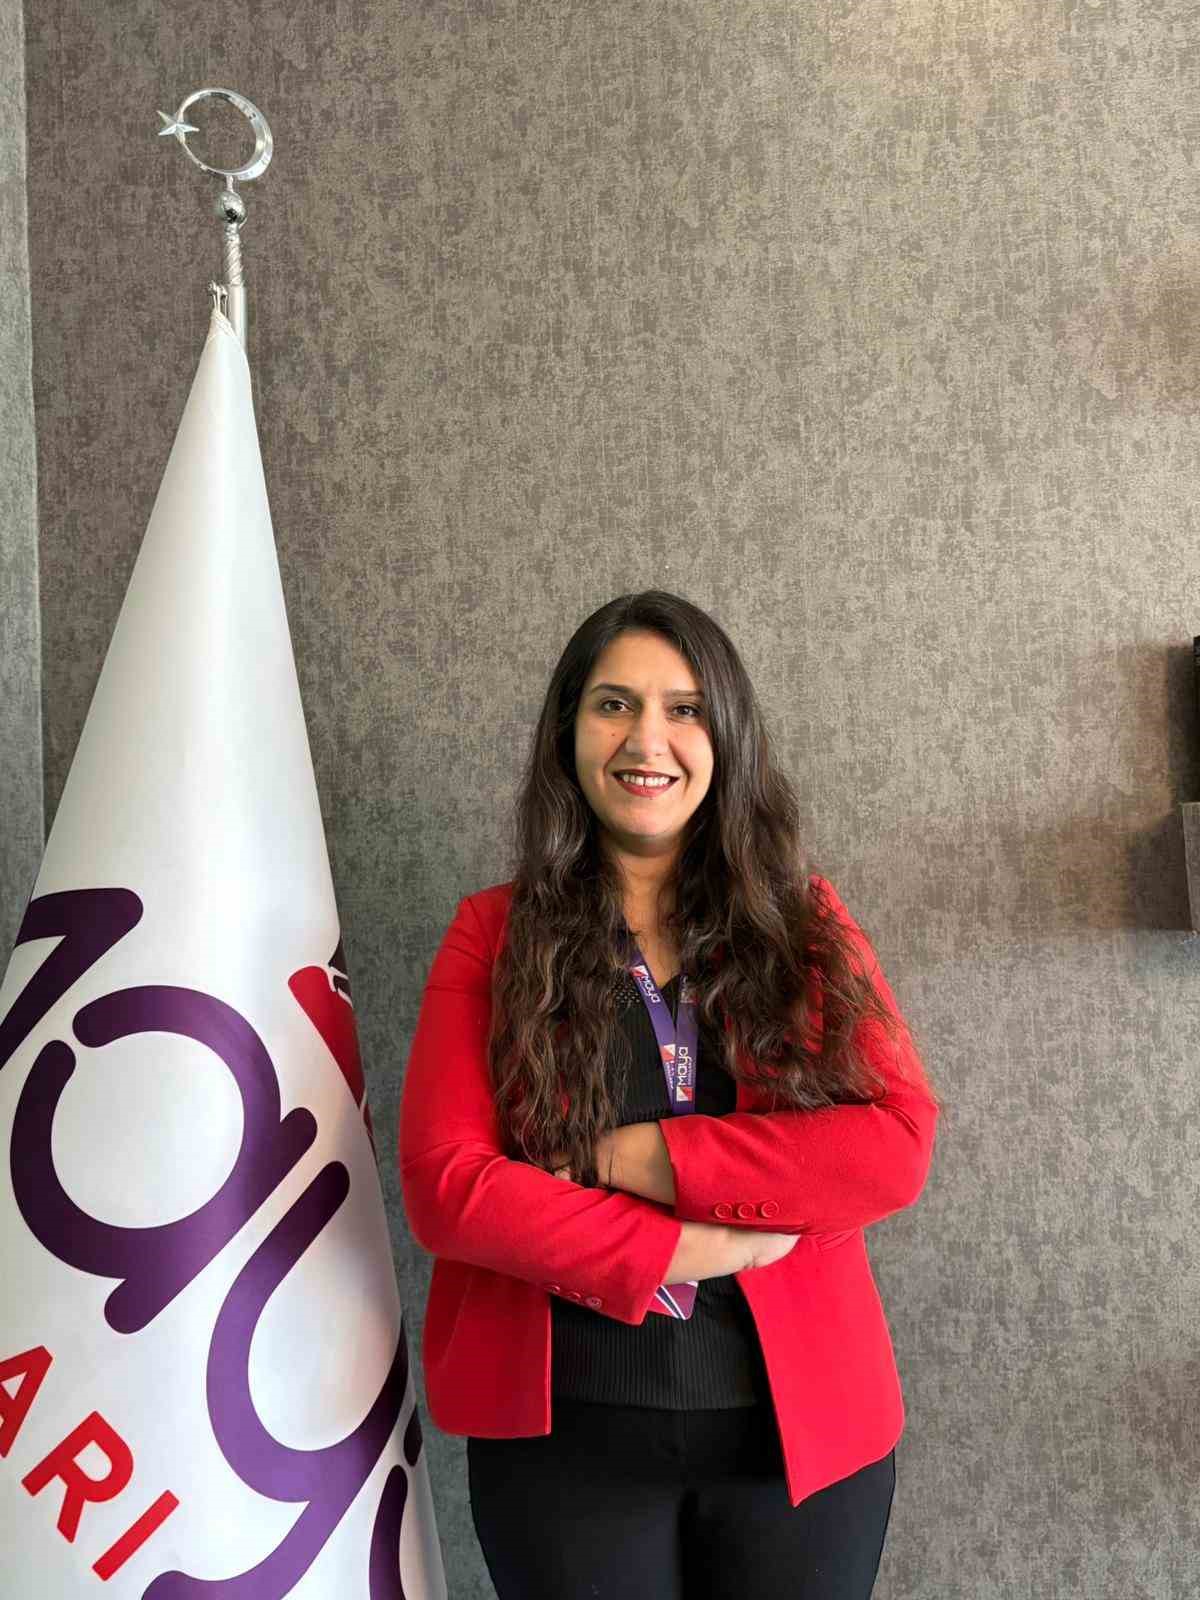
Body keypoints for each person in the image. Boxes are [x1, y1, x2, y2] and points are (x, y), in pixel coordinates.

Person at [399, 589, 939, 1600]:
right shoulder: (492, 934)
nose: (647, 739)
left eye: (684, 709)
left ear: (725, 736)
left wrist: (631, 1158)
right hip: (566, 1448)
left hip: (799, 1444)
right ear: (569, 731)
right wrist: (690, 1248)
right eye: (614, 704)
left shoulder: (805, 921)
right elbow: (448, 1187)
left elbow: (894, 1144)